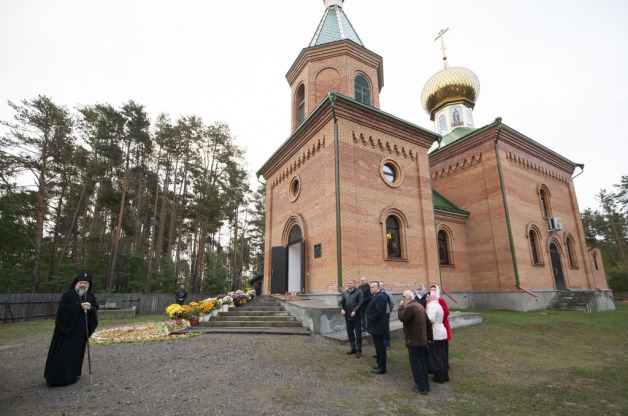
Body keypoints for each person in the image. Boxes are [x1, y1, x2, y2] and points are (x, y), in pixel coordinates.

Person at [44, 273, 99, 386]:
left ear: (89, 285)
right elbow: (62, 310)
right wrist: (79, 306)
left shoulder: (91, 296)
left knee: (77, 353)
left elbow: (95, 307)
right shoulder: (68, 295)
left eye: (85, 283)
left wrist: (90, 308)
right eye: (81, 283)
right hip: (67, 331)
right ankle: (57, 378)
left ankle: (73, 374)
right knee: (63, 353)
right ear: (76, 283)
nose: (83, 285)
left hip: (81, 331)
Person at [398, 290, 430, 395]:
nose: (402, 299)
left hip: (414, 340)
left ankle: (421, 387)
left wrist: (401, 306)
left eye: (403, 297)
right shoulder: (420, 306)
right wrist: (429, 339)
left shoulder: (410, 307)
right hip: (422, 340)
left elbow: (402, 318)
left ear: (409, 297)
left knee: (416, 364)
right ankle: (425, 385)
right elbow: (428, 323)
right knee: (422, 363)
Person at [426, 287, 449, 383]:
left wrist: (425, 320)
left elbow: (431, 319)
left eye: (427, 297)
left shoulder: (432, 306)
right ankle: (444, 375)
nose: (426, 298)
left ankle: (439, 377)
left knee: (437, 356)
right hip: (441, 331)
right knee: (442, 355)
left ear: (431, 297)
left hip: (436, 332)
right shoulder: (437, 305)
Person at [365, 281, 388, 374]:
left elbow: (379, 311)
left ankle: (382, 367)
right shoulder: (376, 296)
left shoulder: (380, 296)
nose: (371, 289)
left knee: (380, 347)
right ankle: (379, 363)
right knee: (378, 347)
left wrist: (371, 318)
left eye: (372, 287)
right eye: (370, 287)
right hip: (376, 326)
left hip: (378, 326)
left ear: (378, 287)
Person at [339, 278, 364, 358]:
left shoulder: (359, 292)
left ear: (354, 284)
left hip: (356, 317)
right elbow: (341, 302)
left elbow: (361, 303)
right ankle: (353, 348)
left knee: (358, 334)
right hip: (348, 316)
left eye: (350, 283)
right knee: (350, 333)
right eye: (348, 283)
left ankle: (359, 350)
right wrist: (342, 309)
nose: (349, 284)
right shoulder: (345, 292)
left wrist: (355, 311)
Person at [430, 284, 452, 374]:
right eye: (431, 289)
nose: (432, 291)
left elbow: (446, 311)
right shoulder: (431, 300)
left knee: (443, 348)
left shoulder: (440, 300)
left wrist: (439, 320)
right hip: (436, 326)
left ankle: (445, 365)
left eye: (434, 289)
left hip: (441, 324)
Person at [380, 281, 395, 350]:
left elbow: (392, 303)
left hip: (386, 313)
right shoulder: (376, 294)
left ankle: (387, 344)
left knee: (386, 329)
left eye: (381, 285)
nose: (380, 286)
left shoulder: (388, 294)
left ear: (383, 286)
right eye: (379, 285)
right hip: (379, 314)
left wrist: (389, 310)